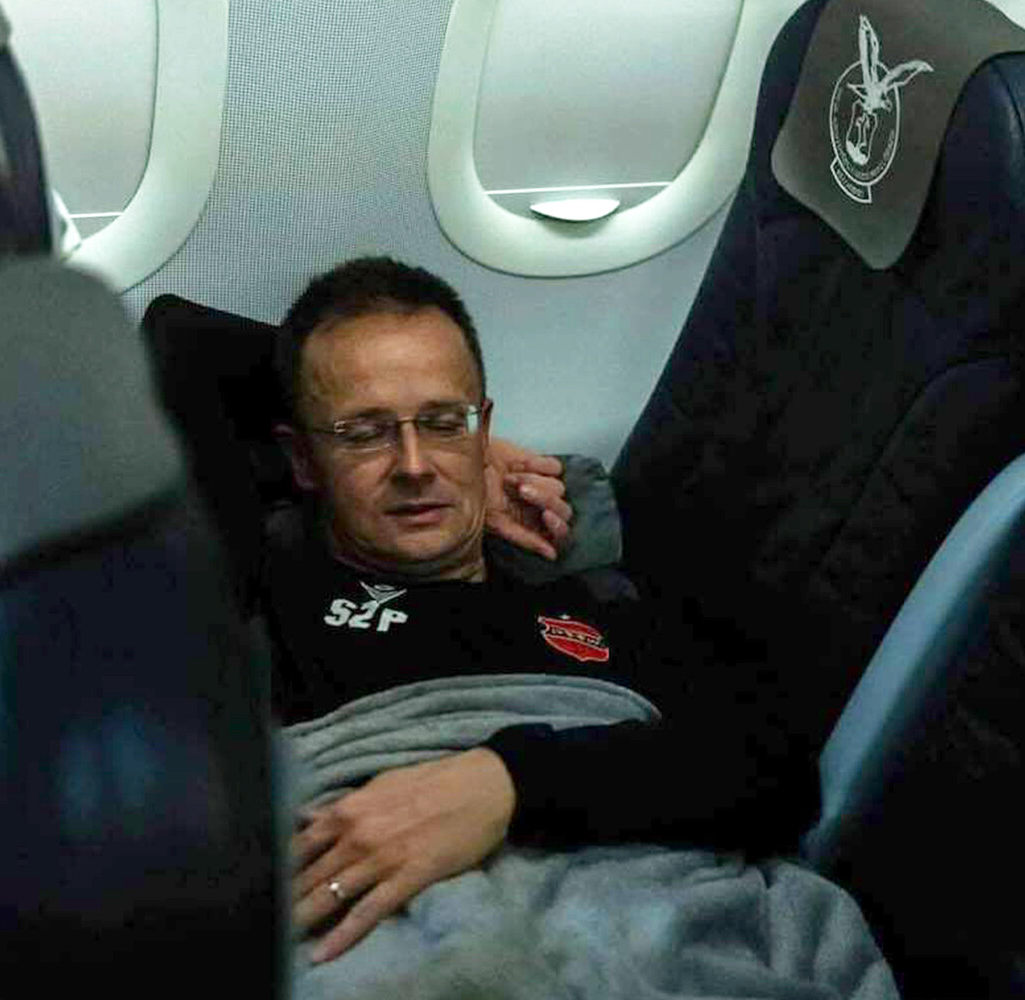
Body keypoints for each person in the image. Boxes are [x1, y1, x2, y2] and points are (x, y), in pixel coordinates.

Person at [260, 257, 829, 965]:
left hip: (636, 917)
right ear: (301, 459)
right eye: (364, 433)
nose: (414, 464)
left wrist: (509, 783)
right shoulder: (271, 588)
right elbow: (175, 353)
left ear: (485, 429)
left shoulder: (600, 601)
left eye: (443, 422)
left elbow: (778, 775)